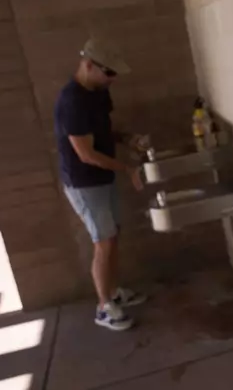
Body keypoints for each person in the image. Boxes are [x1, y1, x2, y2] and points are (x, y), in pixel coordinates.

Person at [54, 39, 148, 331]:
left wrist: (126, 138)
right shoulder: (71, 101)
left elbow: (103, 131)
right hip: (84, 183)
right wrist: (128, 169)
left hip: (102, 177)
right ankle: (103, 307)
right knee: (103, 242)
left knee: (112, 236)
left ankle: (114, 291)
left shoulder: (98, 92)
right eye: (109, 73)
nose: (112, 79)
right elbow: (86, 153)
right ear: (88, 65)